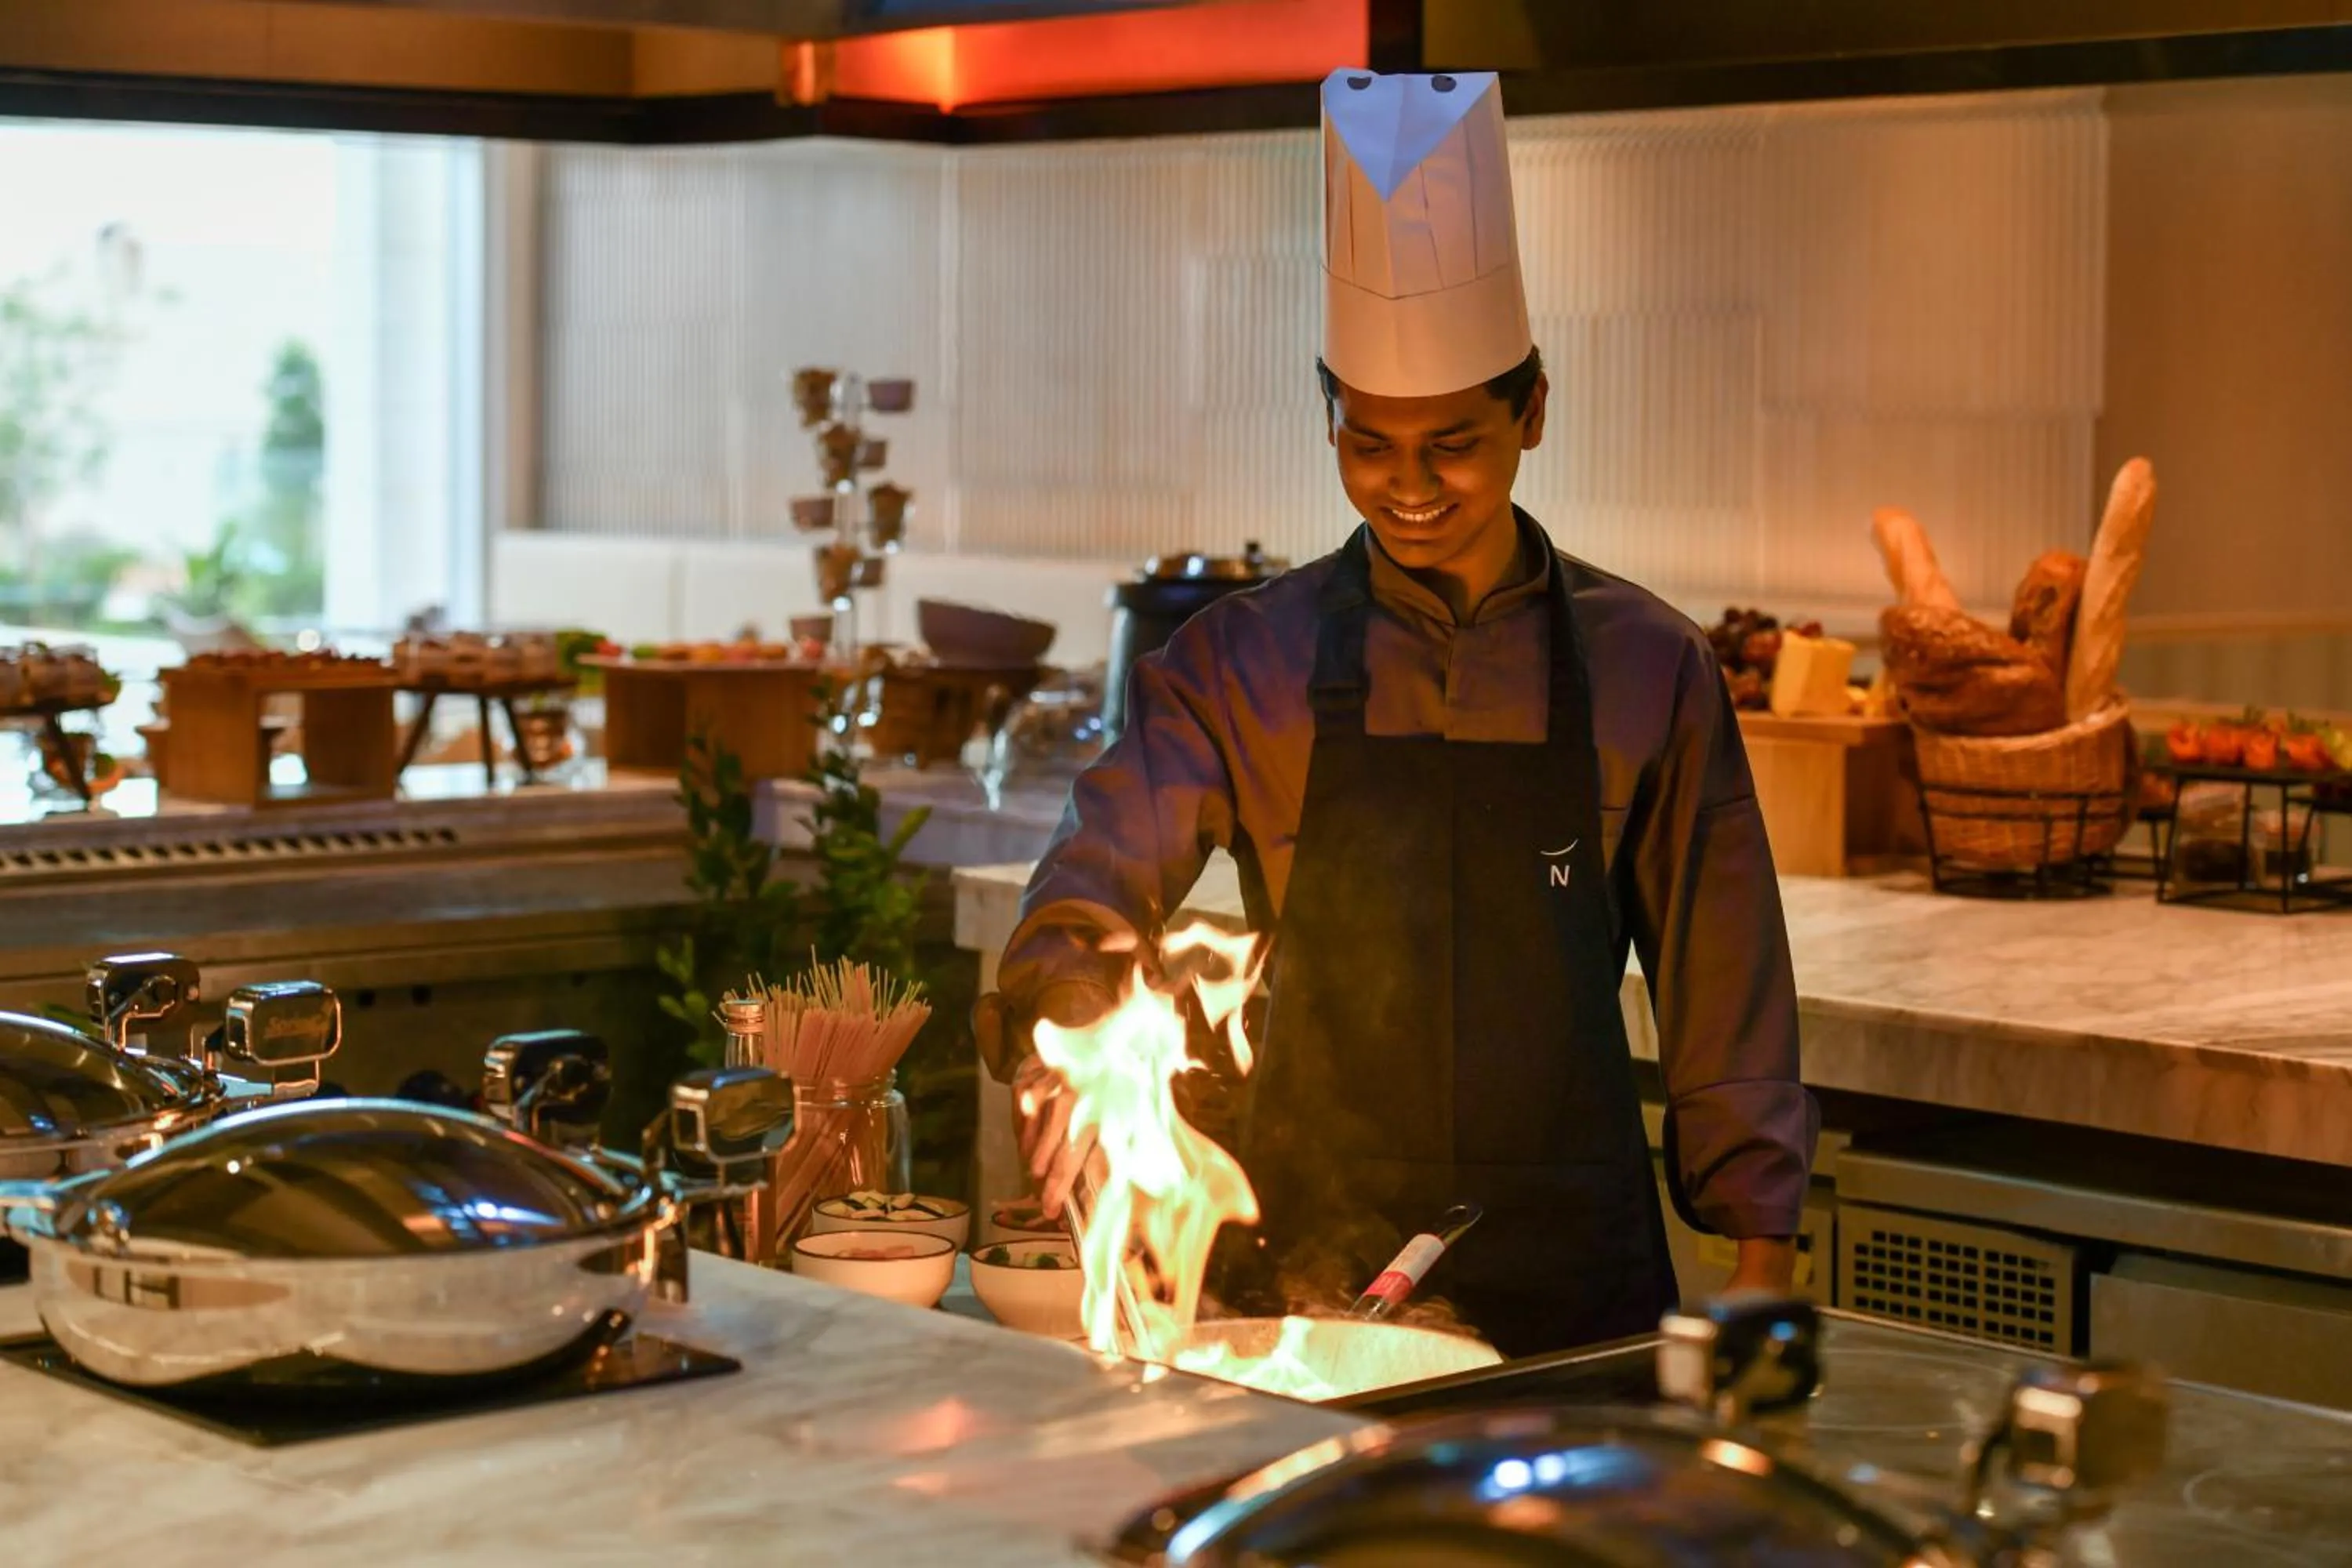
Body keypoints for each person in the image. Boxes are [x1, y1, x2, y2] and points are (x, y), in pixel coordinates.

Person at [991, 68, 1817, 1357]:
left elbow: (1729, 1006)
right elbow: (1090, 881)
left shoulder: (1652, 669)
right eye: (1372, 443)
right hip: (1301, 1300)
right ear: (1331, 413)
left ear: (1532, 409)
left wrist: (1761, 1279)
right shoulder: (1239, 665)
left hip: (1573, 1306)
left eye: (1454, 443)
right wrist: (1075, 1027)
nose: (1411, 487)